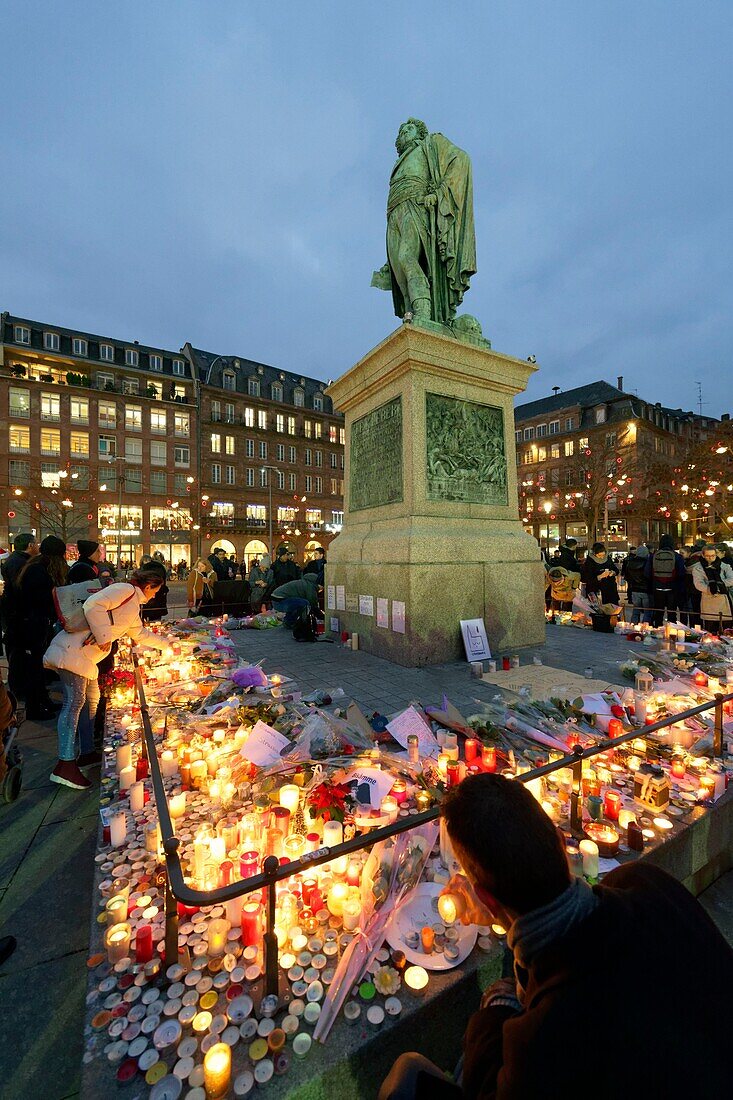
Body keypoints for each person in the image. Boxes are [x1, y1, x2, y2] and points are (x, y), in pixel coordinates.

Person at [379, 774, 733, 1100]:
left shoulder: (540, 1042)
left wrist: (497, 1010)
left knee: (406, 1077)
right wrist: (503, 914)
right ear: (560, 842)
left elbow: (494, 1081)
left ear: (484, 898)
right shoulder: (643, 882)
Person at [44, 568, 173, 790]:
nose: (155, 596)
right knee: (73, 704)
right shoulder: (125, 590)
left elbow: (139, 633)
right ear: (149, 586)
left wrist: (168, 645)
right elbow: (93, 605)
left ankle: (86, 753)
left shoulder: (133, 603)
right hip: (72, 650)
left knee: (91, 699)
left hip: (84, 658)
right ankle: (65, 764)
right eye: (156, 591)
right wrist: (104, 637)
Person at [16, 535, 68, 720]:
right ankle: (34, 708)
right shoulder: (37, 571)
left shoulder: (37, 567)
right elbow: (38, 600)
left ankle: (43, 700)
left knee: (38, 666)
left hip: (35, 623)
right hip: (31, 625)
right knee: (34, 666)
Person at [67, 540, 114, 743]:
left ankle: (87, 738)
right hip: (84, 638)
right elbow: (91, 604)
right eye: (97, 550)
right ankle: (84, 742)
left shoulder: (85, 567)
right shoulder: (83, 570)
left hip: (85, 636)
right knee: (83, 697)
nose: (99, 553)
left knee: (88, 695)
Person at [0, 533, 39, 703]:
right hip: (18, 615)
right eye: (36, 544)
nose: (38, 547)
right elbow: (21, 590)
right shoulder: (20, 563)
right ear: (30, 545)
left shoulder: (14, 560)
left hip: (15, 614)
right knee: (18, 654)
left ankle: (20, 687)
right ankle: (20, 689)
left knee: (17, 652)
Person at [644, 534, 686, 626]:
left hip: (657, 587)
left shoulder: (653, 556)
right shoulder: (677, 556)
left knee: (658, 612)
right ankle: (672, 631)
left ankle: (657, 630)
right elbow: (681, 573)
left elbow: (647, 573)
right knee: (672, 613)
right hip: (672, 588)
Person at [692, 543, 733, 633]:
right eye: (708, 556)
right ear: (703, 555)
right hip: (708, 600)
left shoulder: (724, 566)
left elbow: (731, 579)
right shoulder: (698, 568)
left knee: (726, 630)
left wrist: (718, 586)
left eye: (713, 555)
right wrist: (710, 589)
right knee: (710, 631)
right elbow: (698, 584)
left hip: (723, 600)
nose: (711, 558)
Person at [622, 544, 652, 625]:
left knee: (636, 610)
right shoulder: (647, 562)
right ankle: (645, 627)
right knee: (647, 612)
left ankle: (634, 625)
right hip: (646, 590)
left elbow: (627, 575)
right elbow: (648, 575)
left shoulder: (630, 562)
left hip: (634, 589)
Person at [139, 555, 168, 621]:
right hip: (160, 599)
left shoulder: (145, 569)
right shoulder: (160, 568)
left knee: (143, 619)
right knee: (156, 619)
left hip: (146, 600)